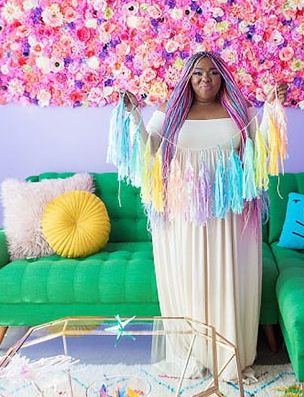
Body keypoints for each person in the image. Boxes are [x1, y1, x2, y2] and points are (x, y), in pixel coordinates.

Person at [121, 51, 287, 379]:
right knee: (190, 281)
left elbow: (261, 149)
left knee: (228, 281)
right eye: (197, 73)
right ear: (188, 77)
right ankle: (193, 352)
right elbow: (148, 150)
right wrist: (134, 116)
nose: (205, 79)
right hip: (183, 215)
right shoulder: (169, 112)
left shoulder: (239, 110)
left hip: (230, 215)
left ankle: (227, 354)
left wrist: (271, 108)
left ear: (222, 76)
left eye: (212, 72)